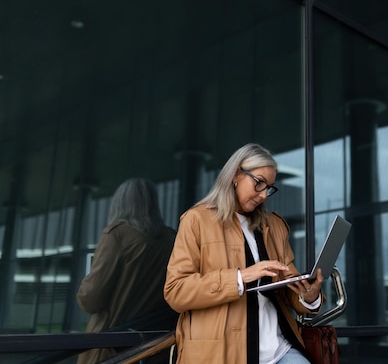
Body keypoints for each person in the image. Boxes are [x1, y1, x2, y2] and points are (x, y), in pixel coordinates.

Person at [164, 143, 324, 364]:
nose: (263, 195)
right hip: (221, 354)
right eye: (259, 183)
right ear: (236, 175)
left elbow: (288, 286)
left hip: (278, 351)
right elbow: (176, 292)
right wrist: (240, 277)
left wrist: (308, 296)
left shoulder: (274, 225)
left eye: (269, 187)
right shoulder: (197, 221)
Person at [76, 178, 178, 364]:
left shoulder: (117, 235)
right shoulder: (171, 238)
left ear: (119, 203)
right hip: (156, 347)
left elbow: (91, 298)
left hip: (111, 347)